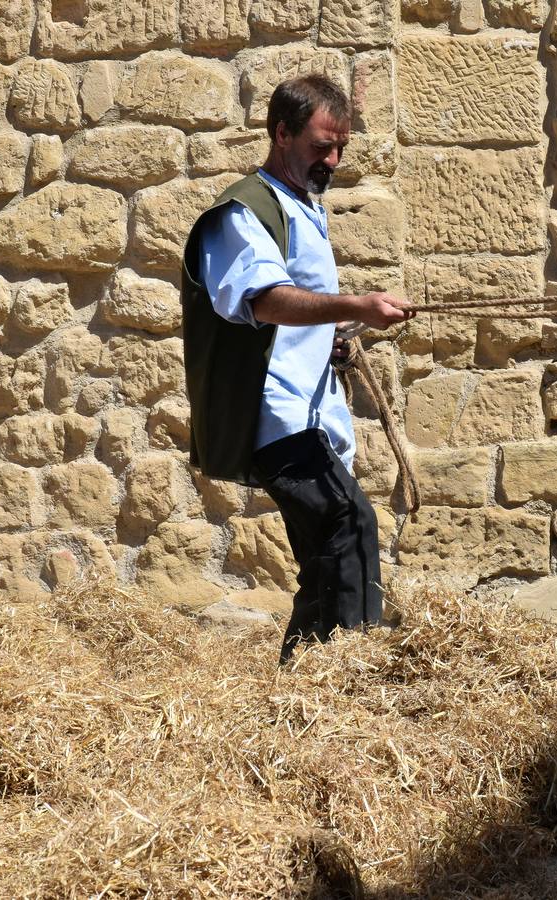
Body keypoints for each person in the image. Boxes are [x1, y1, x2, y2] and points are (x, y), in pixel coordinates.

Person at [180, 75, 414, 663]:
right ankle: (348, 672)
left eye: (340, 149)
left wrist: (332, 339)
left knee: (325, 556)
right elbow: (265, 300)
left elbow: (292, 322)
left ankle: (304, 680)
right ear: (281, 133)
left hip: (308, 411)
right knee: (349, 524)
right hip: (274, 417)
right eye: (319, 147)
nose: (331, 161)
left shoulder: (299, 208)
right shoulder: (241, 213)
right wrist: (355, 306)